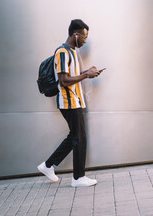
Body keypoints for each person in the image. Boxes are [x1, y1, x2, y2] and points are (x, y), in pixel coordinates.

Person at [38, 19, 103, 187]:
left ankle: (47, 165)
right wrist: (86, 75)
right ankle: (78, 178)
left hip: (76, 101)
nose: (85, 41)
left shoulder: (73, 52)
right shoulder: (62, 52)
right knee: (79, 138)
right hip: (68, 102)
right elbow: (64, 80)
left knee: (75, 137)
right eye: (84, 37)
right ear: (75, 35)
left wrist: (87, 72)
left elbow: (72, 75)